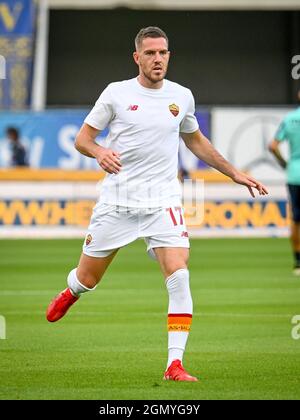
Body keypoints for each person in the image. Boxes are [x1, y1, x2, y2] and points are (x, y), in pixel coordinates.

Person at [46, 27, 268, 381]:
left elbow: (196, 142)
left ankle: (174, 364)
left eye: (163, 52)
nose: (157, 59)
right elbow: (82, 139)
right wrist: (100, 151)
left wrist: (233, 173)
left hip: (162, 200)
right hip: (117, 202)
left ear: (169, 55)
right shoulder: (117, 93)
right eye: (150, 53)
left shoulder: (181, 96)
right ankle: (72, 289)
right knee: (89, 278)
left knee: (179, 274)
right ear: (137, 57)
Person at [269, 90, 300, 276]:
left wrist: (285, 164)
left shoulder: (290, 119)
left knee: (296, 220)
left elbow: (272, 146)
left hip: (294, 174)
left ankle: (298, 263)